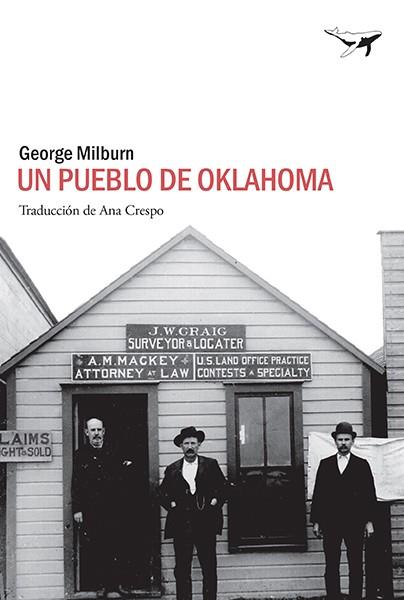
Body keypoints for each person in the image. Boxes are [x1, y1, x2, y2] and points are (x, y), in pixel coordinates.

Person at [310, 421, 377, 600]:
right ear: (335, 441)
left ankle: (355, 597)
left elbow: (369, 495)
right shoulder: (326, 464)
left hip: (355, 523)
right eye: (340, 439)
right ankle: (333, 596)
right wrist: (316, 521)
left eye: (347, 439)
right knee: (331, 564)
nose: (343, 443)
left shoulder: (362, 465)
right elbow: (319, 494)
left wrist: (369, 521)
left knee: (356, 565)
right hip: (331, 523)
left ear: (353, 441)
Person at [159, 426, 227, 600]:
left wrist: (214, 502)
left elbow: (224, 489)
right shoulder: (172, 469)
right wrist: (172, 505)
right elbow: (162, 493)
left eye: (193, 443)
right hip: (182, 526)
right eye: (186, 443)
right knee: (182, 570)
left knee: (209, 568)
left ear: (199, 445)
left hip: (206, 525)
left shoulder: (210, 465)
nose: (190, 447)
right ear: (181, 446)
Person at [72, 417, 133, 598]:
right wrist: (77, 509)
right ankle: (102, 585)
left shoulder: (115, 451)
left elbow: (126, 478)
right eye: (93, 430)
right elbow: (76, 482)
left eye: (99, 430)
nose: (96, 433)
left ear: (104, 431)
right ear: (86, 432)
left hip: (115, 509)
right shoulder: (80, 455)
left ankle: (117, 585)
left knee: (117, 545)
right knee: (97, 548)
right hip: (93, 510)